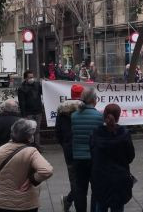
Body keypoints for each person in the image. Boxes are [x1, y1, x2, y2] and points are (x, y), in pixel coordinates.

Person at [0, 119, 54, 212]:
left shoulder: (1, 149)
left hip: (3, 202)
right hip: (25, 203)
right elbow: (47, 170)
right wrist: (31, 180)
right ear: (29, 136)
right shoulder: (31, 151)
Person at [90, 104, 136, 212]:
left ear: (104, 115)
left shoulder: (95, 133)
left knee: (100, 206)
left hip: (100, 178)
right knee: (118, 207)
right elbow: (130, 156)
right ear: (119, 116)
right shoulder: (124, 134)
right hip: (119, 178)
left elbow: (92, 153)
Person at [71, 87, 105, 212]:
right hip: (94, 158)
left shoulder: (74, 116)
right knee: (96, 188)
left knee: (80, 188)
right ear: (94, 100)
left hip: (78, 158)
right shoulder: (99, 117)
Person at [55, 84, 84, 212]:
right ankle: (71, 201)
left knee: (74, 179)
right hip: (84, 148)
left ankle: (69, 200)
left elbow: (58, 131)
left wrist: (65, 143)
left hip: (69, 149)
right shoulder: (85, 109)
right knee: (84, 179)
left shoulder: (62, 110)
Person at [18, 70, 44, 148]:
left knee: (37, 131)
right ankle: (31, 147)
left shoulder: (37, 85)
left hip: (38, 111)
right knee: (30, 131)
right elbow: (21, 102)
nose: (32, 79)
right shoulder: (22, 88)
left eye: (32, 77)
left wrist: (45, 84)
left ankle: (37, 146)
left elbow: (44, 91)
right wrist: (24, 115)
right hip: (29, 113)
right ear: (25, 78)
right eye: (30, 77)